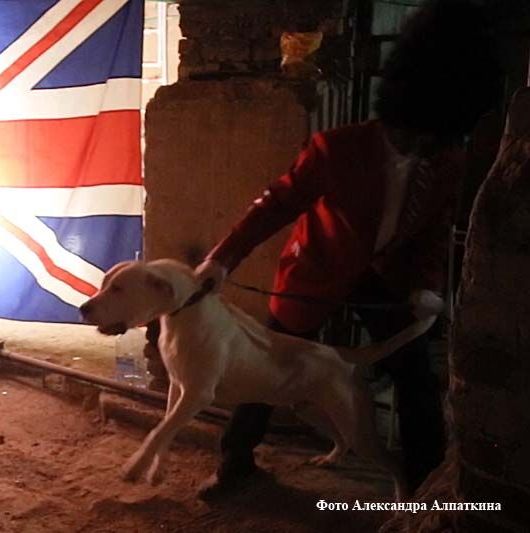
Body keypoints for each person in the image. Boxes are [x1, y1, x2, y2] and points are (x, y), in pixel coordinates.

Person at [195, 0, 500, 500]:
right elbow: (275, 205)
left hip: (385, 275)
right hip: (320, 265)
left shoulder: (447, 157)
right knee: (273, 364)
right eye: (417, 135)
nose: (425, 147)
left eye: (437, 138)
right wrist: (222, 259)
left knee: (417, 376)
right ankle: (235, 462)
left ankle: (425, 485)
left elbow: (434, 229)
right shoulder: (337, 148)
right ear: (402, 107)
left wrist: (426, 284)